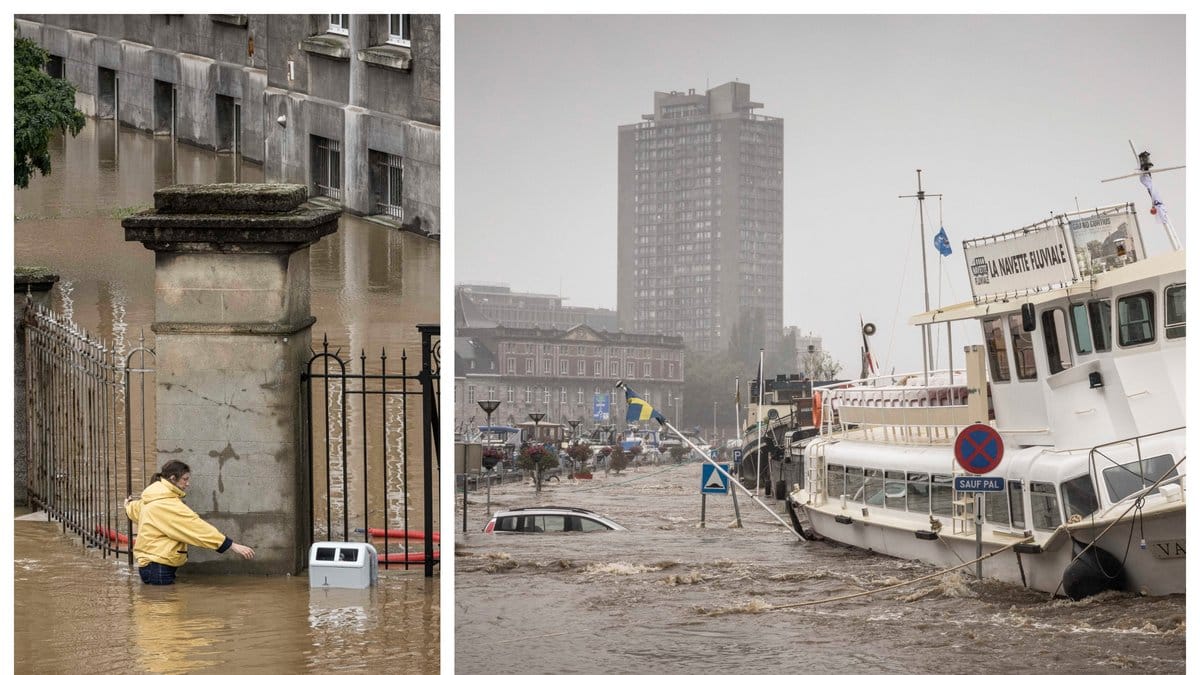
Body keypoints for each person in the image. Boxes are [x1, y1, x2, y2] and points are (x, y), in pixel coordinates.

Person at [124, 460, 255, 585]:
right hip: (159, 566)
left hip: (150, 564)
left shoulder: (151, 498)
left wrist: (128, 505)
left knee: (156, 604)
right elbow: (196, 528)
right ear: (173, 479)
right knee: (163, 606)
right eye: (185, 479)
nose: (188, 483)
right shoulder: (167, 504)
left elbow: (135, 510)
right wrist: (231, 545)